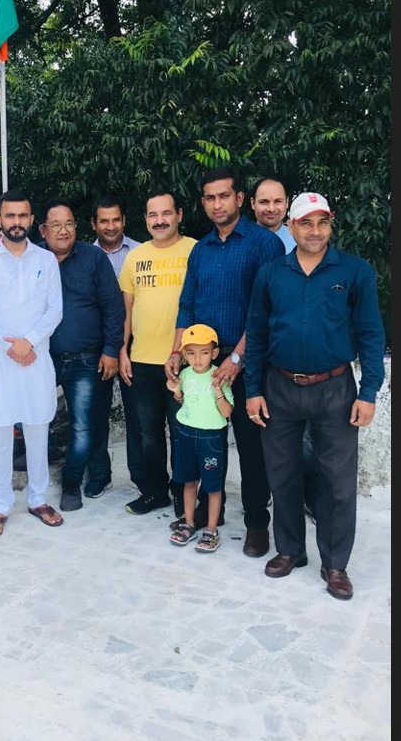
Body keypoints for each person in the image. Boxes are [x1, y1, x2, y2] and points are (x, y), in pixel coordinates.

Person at [245, 192, 385, 600]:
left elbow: (371, 334)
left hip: (335, 389)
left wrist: (369, 391)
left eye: (322, 222)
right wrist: (253, 390)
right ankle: (290, 550)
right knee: (283, 475)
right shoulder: (271, 273)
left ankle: (335, 564)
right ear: (291, 226)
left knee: (337, 482)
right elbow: (257, 334)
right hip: (280, 388)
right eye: (306, 222)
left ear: (331, 224)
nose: (315, 230)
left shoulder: (355, 271)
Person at [165, 165, 284, 558]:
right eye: (210, 198)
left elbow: (264, 309)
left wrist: (236, 357)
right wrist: (177, 353)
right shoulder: (200, 250)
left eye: (224, 196)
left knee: (251, 449)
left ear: (239, 198)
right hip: (201, 363)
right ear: (204, 203)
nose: (217, 204)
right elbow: (186, 305)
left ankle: (256, 524)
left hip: (248, 365)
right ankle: (202, 511)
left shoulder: (264, 244)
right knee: (204, 437)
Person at [0, 188, 64, 538]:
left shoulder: (46, 260)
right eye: (10, 215)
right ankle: (0, 505)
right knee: (0, 431)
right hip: (1, 362)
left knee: (38, 427)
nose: (16, 221)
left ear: (32, 219)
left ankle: (38, 499)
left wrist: (30, 342)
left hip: (36, 359)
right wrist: (13, 347)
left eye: (23, 215)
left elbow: (55, 310)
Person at [38, 199, 124, 511]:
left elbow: (113, 308)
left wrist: (111, 350)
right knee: (32, 417)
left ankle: (72, 483)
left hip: (86, 359)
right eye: (56, 225)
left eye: (69, 224)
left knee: (84, 426)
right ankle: (35, 466)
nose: (63, 231)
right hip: (42, 358)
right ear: (43, 230)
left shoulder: (93, 258)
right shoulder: (32, 258)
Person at [118, 190, 197, 516]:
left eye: (166, 213)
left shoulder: (195, 250)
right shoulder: (135, 257)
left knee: (182, 434)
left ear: (179, 214)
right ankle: (155, 493)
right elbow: (126, 311)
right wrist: (122, 350)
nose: (160, 220)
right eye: (153, 214)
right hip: (141, 361)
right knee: (148, 435)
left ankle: (183, 496)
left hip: (184, 363)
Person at [250, 176, 318, 520]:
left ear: (287, 204)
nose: (271, 208)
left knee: (304, 433)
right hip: (257, 348)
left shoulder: (301, 239)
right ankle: (265, 496)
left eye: (277, 201)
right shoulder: (245, 240)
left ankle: (307, 496)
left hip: (294, 352)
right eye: (264, 202)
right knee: (262, 431)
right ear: (252, 204)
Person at [85, 195, 141, 499]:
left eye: (115, 220)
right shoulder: (84, 255)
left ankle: (143, 476)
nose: (110, 226)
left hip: (137, 344)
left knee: (139, 416)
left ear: (124, 220)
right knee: (97, 415)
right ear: (94, 224)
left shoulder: (141, 253)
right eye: (104, 221)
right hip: (100, 346)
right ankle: (99, 474)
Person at [167, 324, 233, 552]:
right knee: (188, 481)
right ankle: (189, 523)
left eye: (204, 352)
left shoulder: (219, 376)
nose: (197, 359)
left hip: (211, 437)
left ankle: (211, 529)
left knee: (213, 486)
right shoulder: (184, 374)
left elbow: (227, 412)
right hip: (186, 432)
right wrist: (176, 390)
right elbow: (182, 400)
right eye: (191, 353)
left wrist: (218, 390)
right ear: (184, 355)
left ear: (214, 353)